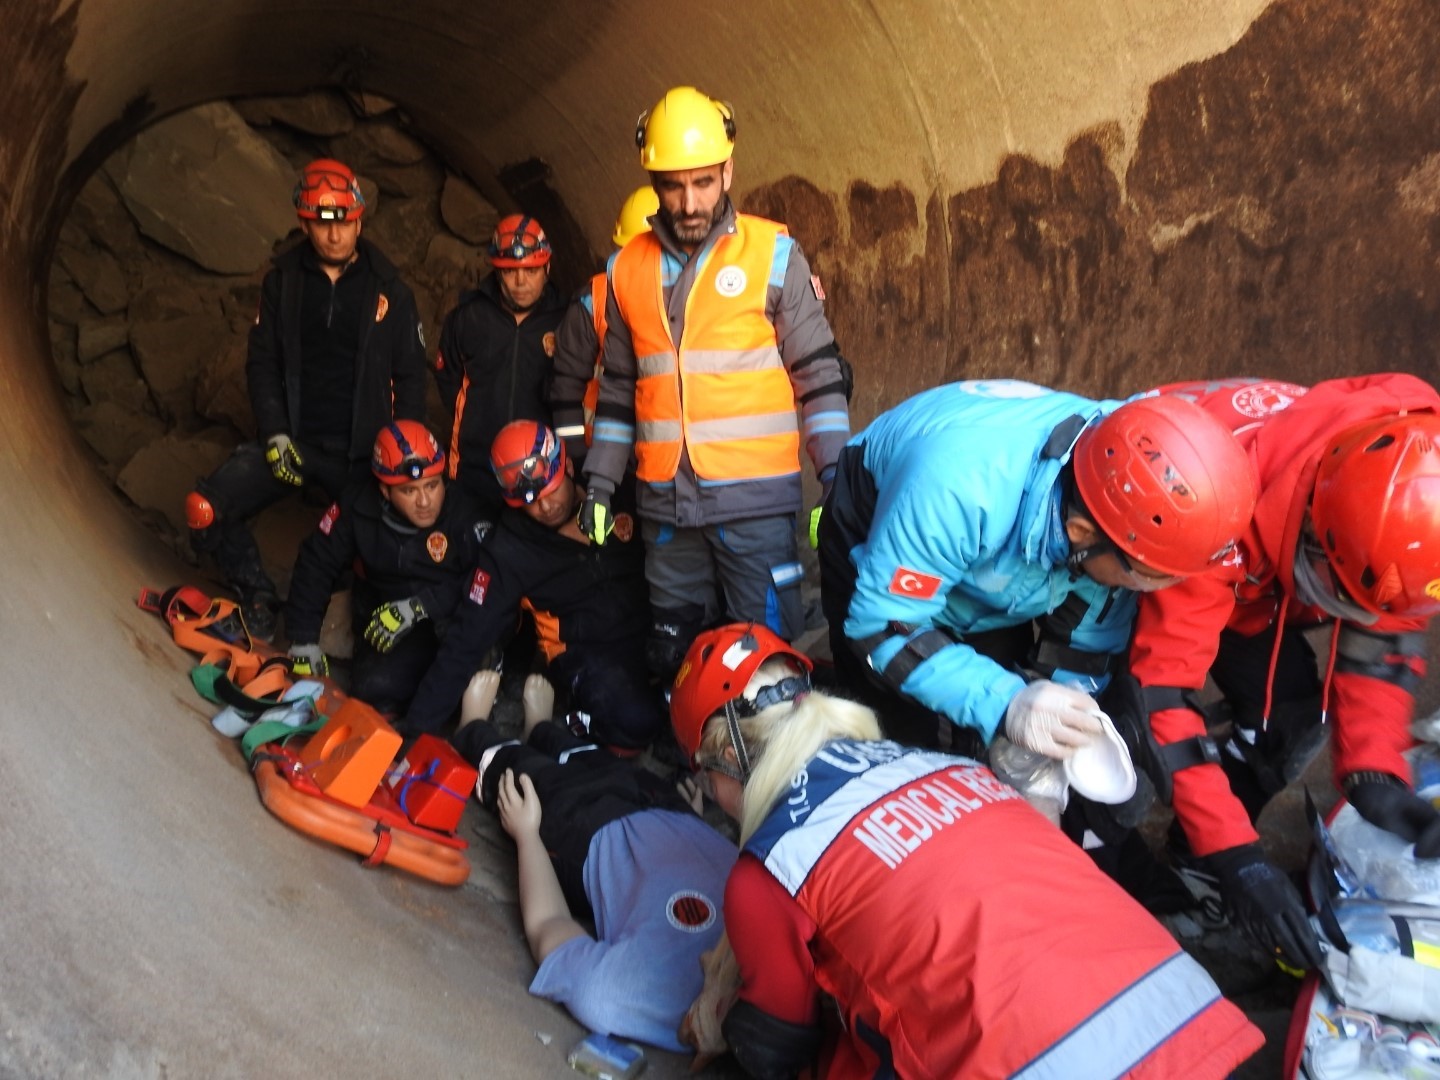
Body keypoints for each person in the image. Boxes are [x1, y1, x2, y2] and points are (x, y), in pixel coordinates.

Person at [667, 623, 1264, 1079]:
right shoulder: (946, 766)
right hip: (1188, 1020)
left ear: (728, 759)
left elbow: (775, 1042)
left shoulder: (771, 867)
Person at [1120, 373, 1440, 972]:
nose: (1355, 620)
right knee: (1110, 744)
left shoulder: (1397, 491)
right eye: (1340, 599)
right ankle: (1117, 890)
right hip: (1156, 543)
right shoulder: (1212, 506)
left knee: (1288, 729)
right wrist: (1240, 855)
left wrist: (1375, 773)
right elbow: (1160, 692)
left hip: (1261, 576)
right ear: (1319, 530)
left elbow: (1383, 626)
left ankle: (1197, 866)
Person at [816, 378, 1259, 754]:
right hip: (881, 518)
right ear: (1083, 532)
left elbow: (1088, 638)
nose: (1147, 588)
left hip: (1003, 556)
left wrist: (1080, 723)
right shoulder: (959, 488)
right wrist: (1006, 702)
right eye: (1143, 576)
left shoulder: (1122, 495)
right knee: (899, 727)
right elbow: (882, 626)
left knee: (990, 712)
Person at [578, 86, 853, 683]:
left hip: (754, 506)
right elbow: (621, 387)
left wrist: (836, 480)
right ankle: (693, 771)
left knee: (764, 665)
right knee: (678, 658)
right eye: (673, 184)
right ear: (653, 180)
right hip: (665, 510)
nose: (688, 201)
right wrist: (599, 482)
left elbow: (819, 376)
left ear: (727, 170)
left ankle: (773, 776)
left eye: (703, 182)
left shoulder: (773, 254)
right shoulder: (626, 269)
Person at [187, 158, 428, 640]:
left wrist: (400, 463)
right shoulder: (284, 282)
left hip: (362, 454)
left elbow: (411, 378)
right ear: (304, 222)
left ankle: (350, 619)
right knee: (205, 507)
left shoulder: (390, 292)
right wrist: (275, 434)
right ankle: (256, 596)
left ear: (359, 219)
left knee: (393, 538)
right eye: (321, 224)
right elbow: (263, 365)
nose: (333, 236)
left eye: (342, 224)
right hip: (294, 441)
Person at [454, 668, 736, 1052]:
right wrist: (695, 830)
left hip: (588, 837)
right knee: (594, 760)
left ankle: (472, 729)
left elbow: (548, 927)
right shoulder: (779, 940)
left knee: (524, 775)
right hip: (670, 815)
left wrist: (528, 836)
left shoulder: (627, 997)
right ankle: (540, 728)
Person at [400, 420, 664, 750]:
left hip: (651, 630)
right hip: (585, 653)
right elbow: (466, 641)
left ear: (567, 465)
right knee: (636, 723)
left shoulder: (613, 490)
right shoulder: (509, 551)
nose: (546, 506)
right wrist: (413, 733)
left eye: (552, 490)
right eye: (531, 500)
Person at [282, 421, 487, 715]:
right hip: (389, 614)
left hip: (451, 612)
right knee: (372, 690)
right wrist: (303, 639)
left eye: (432, 485)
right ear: (385, 491)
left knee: (465, 665)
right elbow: (317, 561)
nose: (425, 501)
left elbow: (489, 585)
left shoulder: (466, 512)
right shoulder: (358, 505)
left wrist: (420, 606)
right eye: (409, 491)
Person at [435, 213, 566, 515]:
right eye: (510, 272)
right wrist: (476, 422)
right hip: (475, 467)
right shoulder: (468, 317)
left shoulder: (566, 320)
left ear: (547, 267)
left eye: (531, 270)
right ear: (496, 270)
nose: (521, 282)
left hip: (538, 470)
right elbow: (448, 381)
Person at [549, 185, 660, 467]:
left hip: (665, 458)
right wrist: (574, 456)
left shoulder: (693, 299)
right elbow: (565, 384)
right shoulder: (594, 299)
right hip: (601, 454)